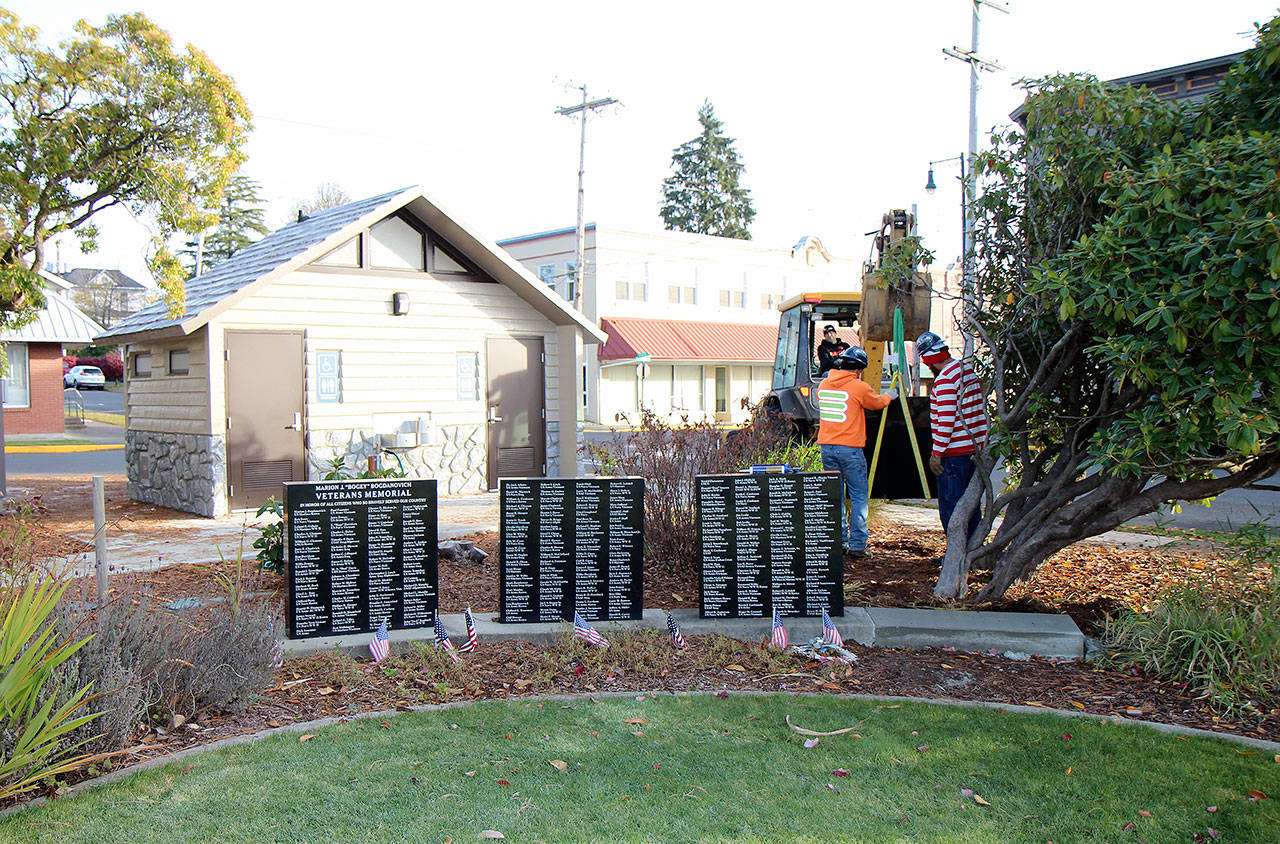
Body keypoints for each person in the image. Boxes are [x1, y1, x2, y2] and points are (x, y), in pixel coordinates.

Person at [817, 345, 895, 558]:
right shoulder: (858, 386)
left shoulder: (824, 384)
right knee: (858, 496)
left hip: (827, 448)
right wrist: (889, 396)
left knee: (836, 497)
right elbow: (876, 403)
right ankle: (858, 546)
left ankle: (839, 542)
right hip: (850, 449)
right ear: (859, 369)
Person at [916, 331, 989, 542]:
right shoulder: (967, 371)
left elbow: (946, 422)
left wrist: (937, 454)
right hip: (974, 449)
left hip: (954, 454)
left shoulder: (945, 381)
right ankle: (974, 549)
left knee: (953, 507)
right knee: (971, 505)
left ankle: (956, 553)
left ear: (928, 361)